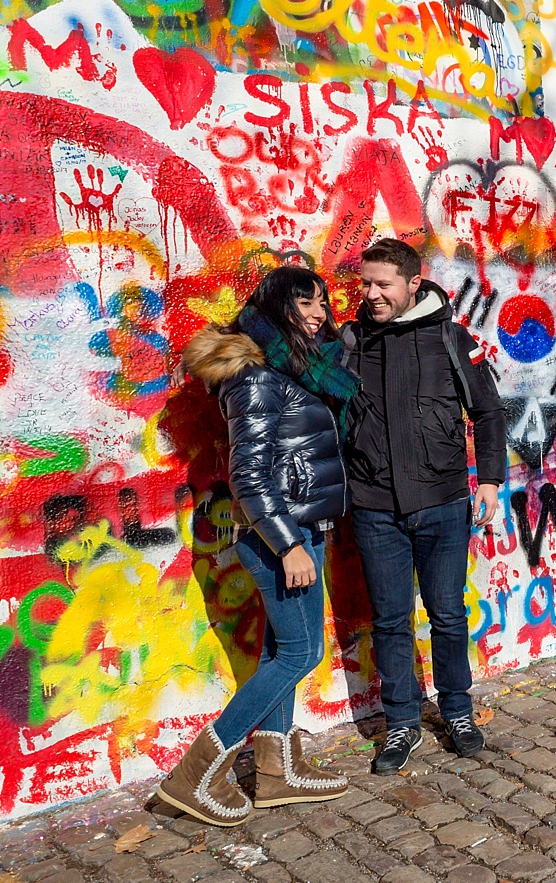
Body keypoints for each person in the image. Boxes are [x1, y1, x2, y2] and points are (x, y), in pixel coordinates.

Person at [160, 265, 359, 823]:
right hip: (280, 538)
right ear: (277, 306)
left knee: (282, 650)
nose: (319, 313)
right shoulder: (254, 375)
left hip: (301, 530)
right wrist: (289, 544)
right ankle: (197, 772)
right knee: (302, 652)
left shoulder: (294, 368)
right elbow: (248, 475)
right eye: (305, 303)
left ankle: (274, 769)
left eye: (322, 302)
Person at [341, 237, 506, 772]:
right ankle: (402, 724)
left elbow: (488, 411)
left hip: (442, 501)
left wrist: (490, 481)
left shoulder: (450, 338)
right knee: (389, 621)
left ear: (414, 283)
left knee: (448, 616)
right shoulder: (350, 341)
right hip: (373, 506)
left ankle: (458, 711)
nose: (371, 294)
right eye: (366, 283)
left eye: (382, 284)